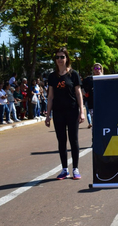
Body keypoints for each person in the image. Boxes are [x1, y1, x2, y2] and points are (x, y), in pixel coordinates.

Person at [45, 47, 85, 180]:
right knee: (61, 141)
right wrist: (48, 115)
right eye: (57, 57)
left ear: (67, 58)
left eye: (62, 57)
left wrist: (82, 111)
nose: (60, 59)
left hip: (72, 110)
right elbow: (50, 97)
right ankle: (64, 169)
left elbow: (78, 93)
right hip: (58, 112)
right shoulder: (52, 76)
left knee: (73, 140)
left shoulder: (73, 74)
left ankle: (75, 168)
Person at [83, 63, 102, 129]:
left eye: (99, 68)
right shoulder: (89, 79)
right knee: (95, 122)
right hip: (92, 104)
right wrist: (84, 93)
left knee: (103, 122)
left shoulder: (105, 78)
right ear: (93, 70)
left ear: (101, 69)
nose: (97, 70)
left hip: (103, 105)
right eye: (95, 68)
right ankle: (95, 137)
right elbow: (80, 87)